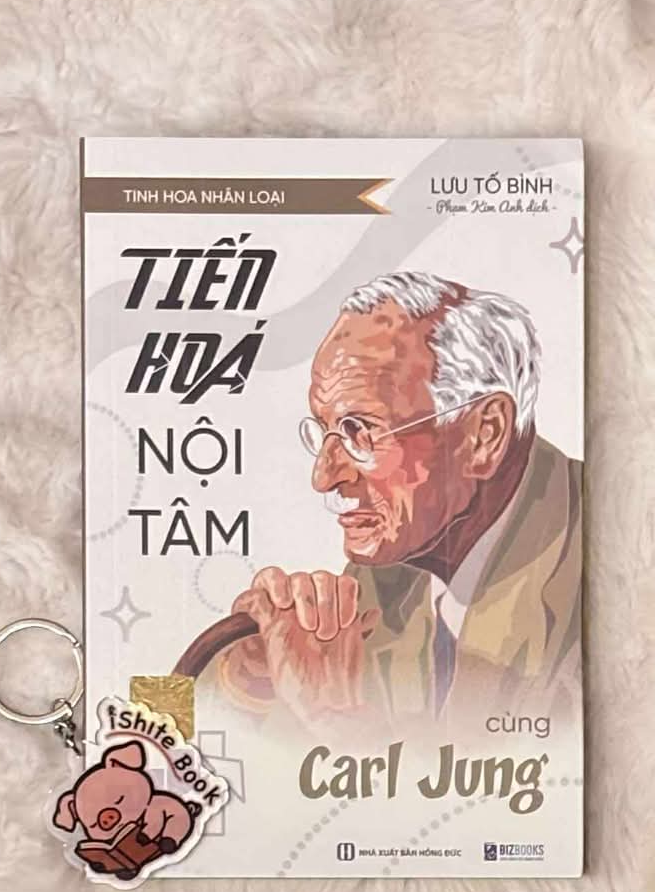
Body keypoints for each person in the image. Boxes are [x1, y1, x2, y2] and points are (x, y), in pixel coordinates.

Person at [214, 269, 581, 728]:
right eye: (326, 431)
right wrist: (256, 676)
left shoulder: (614, 557)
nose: (323, 477)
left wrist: (336, 719)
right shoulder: (389, 572)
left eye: (361, 431)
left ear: (484, 433)